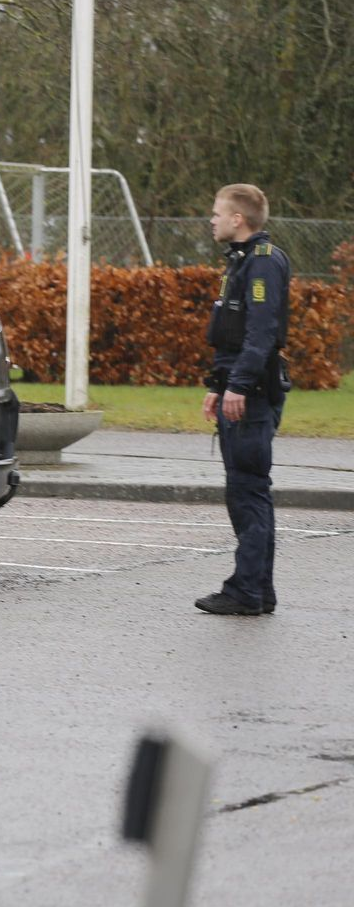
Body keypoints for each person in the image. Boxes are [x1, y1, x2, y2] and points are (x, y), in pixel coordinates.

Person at [196, 183, 292, 617]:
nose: (212, 219)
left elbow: (261, 334)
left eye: (217, 213)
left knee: (248, 492)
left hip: (252, 397)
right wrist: (219, 386)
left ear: (239, 219)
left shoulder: (263, 264)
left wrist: (238, 386)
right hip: (240, 390)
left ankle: (246, 590)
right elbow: (233, 336)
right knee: (248, 491)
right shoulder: (240, 263)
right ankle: (258, 590)